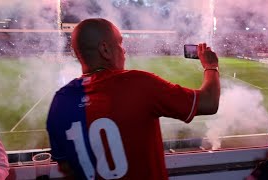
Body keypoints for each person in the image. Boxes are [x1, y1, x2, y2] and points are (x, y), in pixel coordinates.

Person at [46, 18, 220, 180]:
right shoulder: (139, 84)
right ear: (105, 50)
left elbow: (66, 168)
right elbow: (209, 102)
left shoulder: (59, 101)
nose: (124, 50)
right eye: (120, 43)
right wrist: (211, 66)